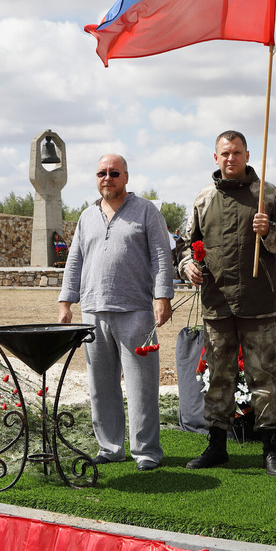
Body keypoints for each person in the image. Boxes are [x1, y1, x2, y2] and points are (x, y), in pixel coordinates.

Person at [179, 130, 276, 475]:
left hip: (258, 303)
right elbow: (187, 243)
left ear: (247, 155)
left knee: (264, 377)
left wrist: (271, 232)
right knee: (219, 375)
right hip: (217, 303)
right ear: (215, 157)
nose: (230, 159)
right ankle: (217, 445)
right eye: (224, 153)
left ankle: (271, 450)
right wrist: (188, 264)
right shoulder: (204, 198)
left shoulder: (267, 194)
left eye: (236, 153)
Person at [57, 154, 174, 471]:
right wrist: (66, 303)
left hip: (135, 310)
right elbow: (75, 262)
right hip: (92, 312)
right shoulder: (86, 216)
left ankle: (146, 451)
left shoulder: (146, 211)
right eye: (101, 173)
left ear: (126, 177)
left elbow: (163, 256)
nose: (107, 177)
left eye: (113, 172)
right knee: (100, 385)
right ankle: (110, 448)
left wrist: (162, 296)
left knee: (142, 386)